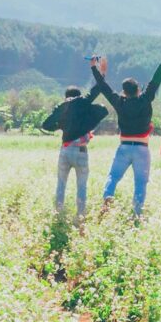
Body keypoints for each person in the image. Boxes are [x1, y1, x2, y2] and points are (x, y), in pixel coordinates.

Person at [91, 44, 161, 218]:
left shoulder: (119, 102)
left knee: (113, 177)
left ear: (124, 92)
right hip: (142, 149)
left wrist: (94, 68)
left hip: (124, 147)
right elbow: (156, 81)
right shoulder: (145, 99)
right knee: (140, 184)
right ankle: (136, 215)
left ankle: (107, 200)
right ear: (138, 90)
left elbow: (103, 86)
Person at [41, 76, 108, 220]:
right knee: (82, 186)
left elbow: (45, 125)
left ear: (66, 97)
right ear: (78, 96)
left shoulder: (63, 108)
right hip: (81, 151)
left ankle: (58, 213)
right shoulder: (82, 105)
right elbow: (96, 92)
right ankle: (80, 216)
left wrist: (60, 125)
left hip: (65, 150)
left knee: (61, 183)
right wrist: (101, 75)